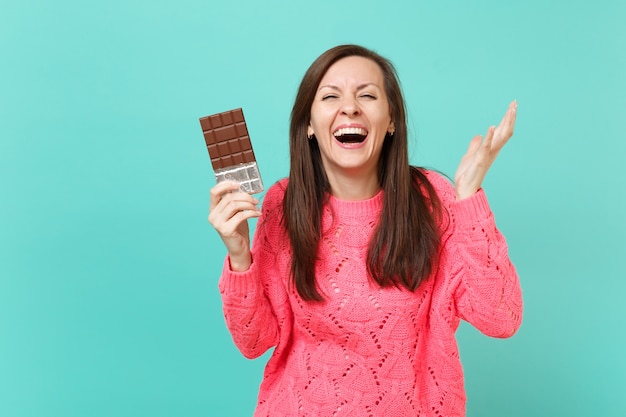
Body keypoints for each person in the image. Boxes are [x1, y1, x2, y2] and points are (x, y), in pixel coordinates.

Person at [208, 44, 523, 417]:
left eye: (367, 95)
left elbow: (501, 319)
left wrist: (469, 199)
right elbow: (255, 341)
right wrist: (240, 256)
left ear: (391, 120)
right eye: (330, 96)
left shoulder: (434, 200)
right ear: (308, 125)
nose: (350, 108)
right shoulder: (281, 204)